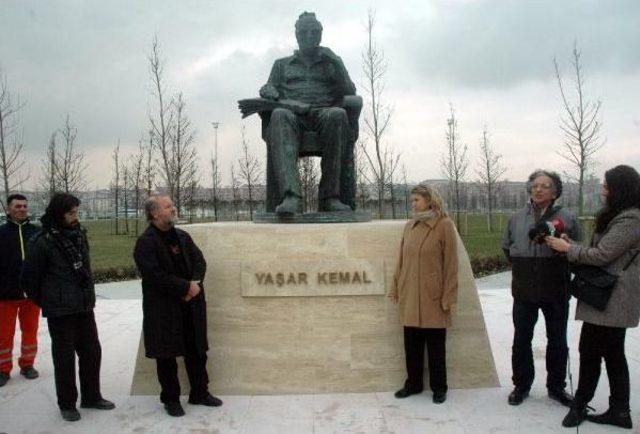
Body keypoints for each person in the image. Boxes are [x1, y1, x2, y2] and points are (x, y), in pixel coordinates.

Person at [547, 165, 640, 429]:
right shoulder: (617, 215)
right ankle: (620, 411)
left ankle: (581, 406)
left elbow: (602, 255)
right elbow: (600, 248)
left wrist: (569, 249)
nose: (602, 190)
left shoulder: (631, 219)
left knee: (591, 353)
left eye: (607, 186)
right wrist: (570, 243)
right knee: (611, 354)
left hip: (612, 298)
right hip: (606, 296)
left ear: (620, 190)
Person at [20, 193, 114, 421]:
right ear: (58, 213)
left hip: (83, 307)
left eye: (76, 212)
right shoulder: (42, 241)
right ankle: (67, 404)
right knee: (64, 359)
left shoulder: (79, 235)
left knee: (92, 352)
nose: (75, 216)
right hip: (60, 312)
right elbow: (30, 280)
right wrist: (49, 300)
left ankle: (91, 396)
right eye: (71, 213)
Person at [259, 11, 356, 215]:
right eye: (304, 32)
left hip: (324, 114)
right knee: (278, 115)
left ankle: (330, 197)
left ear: (320, 35)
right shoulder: (281, 65)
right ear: (297, 35)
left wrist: (337, 62)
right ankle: (291, 196)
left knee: (338, 114)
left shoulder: (331, 64)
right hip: (293, 116)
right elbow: (269, 88)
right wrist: (268, 90)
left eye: (314, 32)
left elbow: (349, 92)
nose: (309, 36)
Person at [134, 195, 222, 417]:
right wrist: (185, 288)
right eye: (167, 206)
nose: (173, 209)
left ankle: (200, 392)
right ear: (154, 213)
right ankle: (171, 399)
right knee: (167, 355)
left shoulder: (182, 236)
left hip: (191, 305)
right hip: (164, 309)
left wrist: (194, 285)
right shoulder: (146, 243)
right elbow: (155, 276)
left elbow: (200, 262)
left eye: (173, 205)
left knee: (197, 351)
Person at [502, 169, 579, 406]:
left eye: (545, 186)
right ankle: (521, 385)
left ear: (555, 191)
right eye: (535, 185)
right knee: (521, 339)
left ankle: (556, 387)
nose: (538, 189)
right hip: (524, 290)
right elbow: (507, 248)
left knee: (557, 340)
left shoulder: (567, 217)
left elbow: (577, 249)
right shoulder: (516, 218)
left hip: (555, 288)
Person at [388, 184, 458, 404]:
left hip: (433, 297)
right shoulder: (410, 226)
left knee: (436, 347)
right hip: (410, 295)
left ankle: (439, 387)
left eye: (416, 200)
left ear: (429, 200)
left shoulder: (444, 225)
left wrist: (448, 296)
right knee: (412, 345)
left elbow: (451, 265)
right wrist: (395, 287)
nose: (413, 204)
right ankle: (414, 384)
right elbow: (401, 260)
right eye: (412, 201)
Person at [0, 194, 41, 387]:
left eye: (25, 206)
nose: (22, 209)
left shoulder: (36, 233)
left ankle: (27, 364)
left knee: (30, 331)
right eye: (17, 206)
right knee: (4, 334)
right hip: (5, 295)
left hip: (31, 295)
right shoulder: (1, 233)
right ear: (8, 209)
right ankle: (3, 369)